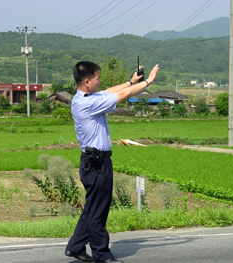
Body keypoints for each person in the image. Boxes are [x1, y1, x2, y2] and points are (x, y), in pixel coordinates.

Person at [65, 61, 159, 263]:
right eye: (98, 78)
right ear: (88, 81)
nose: (100, 82)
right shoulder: (88, 103)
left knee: (92, 207)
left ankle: (75, 246)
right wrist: (148, 82)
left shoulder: (84, 97)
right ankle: (102, 254)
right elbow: (122, 95)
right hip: (97, 164)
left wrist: (131, 81)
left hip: (94, 162)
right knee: (98, 212)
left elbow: (110, 91)